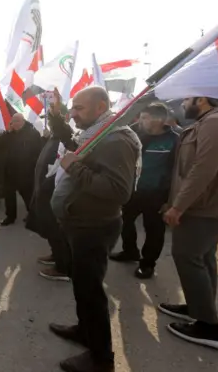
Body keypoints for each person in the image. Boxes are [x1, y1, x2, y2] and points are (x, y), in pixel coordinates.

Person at [49, 86, 141, 372]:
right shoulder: (96, 133)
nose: (73, 114)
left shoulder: (115, 140)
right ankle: (84, 330)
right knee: (82, 284)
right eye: (72, 108)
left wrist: (74, 168)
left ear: (101, 108)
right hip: (81, 225)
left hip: (94, 227)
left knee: (91, 291)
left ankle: (101, 359)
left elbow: (118, 190)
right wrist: (56, 118)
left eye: (79, 109)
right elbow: (75, 144)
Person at [158, 97, 218, 351]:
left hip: (206, 207)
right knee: (203, 257)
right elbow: (183, 170)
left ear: (200, 99)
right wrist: (173, 201)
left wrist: (179, 206)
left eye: (187, 99)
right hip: (201, 205)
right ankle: (198, 307)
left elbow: (204, 168)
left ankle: (209, 327)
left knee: (187, 255)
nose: (182, 105)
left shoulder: (216, 123)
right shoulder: (205, 123)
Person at [110, 102, 179, 279]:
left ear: (160, 120)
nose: (141, 121)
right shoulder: (135, 134)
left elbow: (178, 172)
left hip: (157, 195)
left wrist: (170, 201)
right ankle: (130, 251)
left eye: (145, 118)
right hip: (133, 190)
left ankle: (147, 264)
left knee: (154, 230)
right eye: (141, 117)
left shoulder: (174, 141)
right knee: (123, 220)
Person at [35, 98, 77, 282]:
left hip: (58, 190)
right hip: (47, 187)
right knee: (50, 229)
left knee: (57, 229)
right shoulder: (53, 136)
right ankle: (56, 255)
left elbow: (67, 140)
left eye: (51, 120)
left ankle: (63, 267)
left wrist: (56, 117)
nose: (49, 122)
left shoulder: (69, 136)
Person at [0, 113, 42, 226]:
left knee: (28, 196)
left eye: (18, 121)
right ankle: (10, 217)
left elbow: (38, 152)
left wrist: (32, 166)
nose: (15, 123)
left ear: (23, 121)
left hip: (26, 172)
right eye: (13, 121)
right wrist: (7, 132)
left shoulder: (32, 133)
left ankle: (33, 216)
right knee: (9, 196)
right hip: (10, 171)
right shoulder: (9, 134)